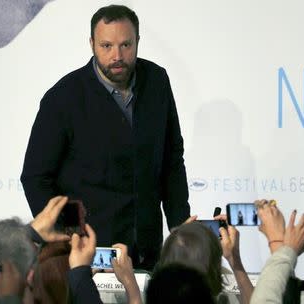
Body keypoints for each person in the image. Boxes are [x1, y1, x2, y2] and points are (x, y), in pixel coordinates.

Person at [20, 4, 190, 270]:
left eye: (126, 45)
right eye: (106, 46)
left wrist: (181, 230)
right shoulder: (63, 98)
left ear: (137, 42)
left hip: (148, 252)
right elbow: (36, 177)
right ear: (91, 44)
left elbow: (172, 161)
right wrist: (71, 235)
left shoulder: (157, 81)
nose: (117, 56)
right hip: (88, 257)